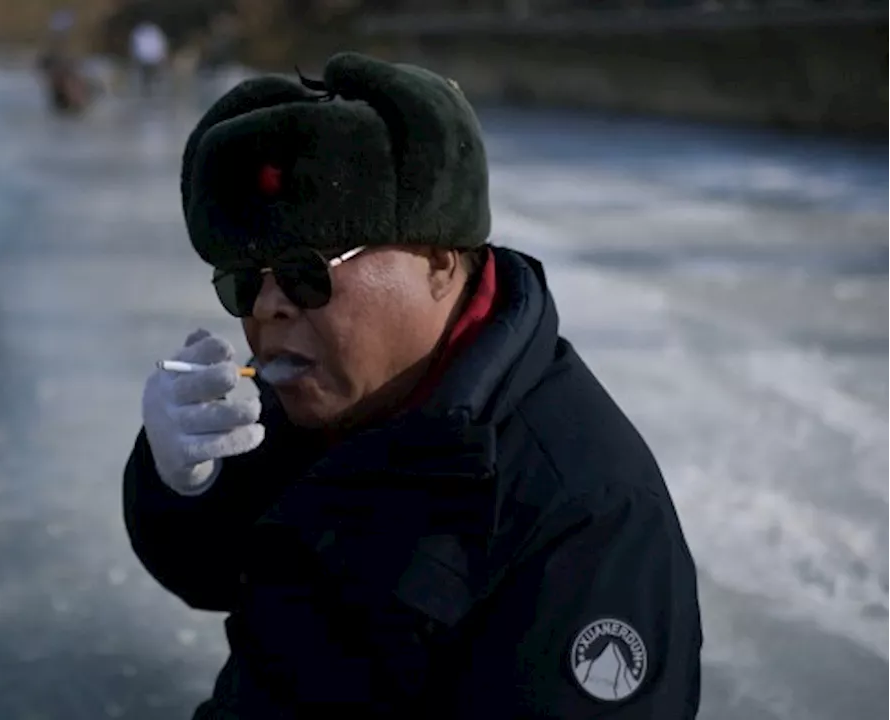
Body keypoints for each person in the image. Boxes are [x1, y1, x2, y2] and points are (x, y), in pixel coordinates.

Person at [122, 52, 702, 718]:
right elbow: (214, 572)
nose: (268, 307)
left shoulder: (584, 515)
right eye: (244, 281)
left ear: (436, 261)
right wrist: (181, 485)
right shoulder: (330, 393)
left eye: (307, 273)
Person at [129, 20, 168, 96]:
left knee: (153, 74)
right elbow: (136, 45)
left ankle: (152, 89)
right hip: (146, 58)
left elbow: (160, 44)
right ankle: (148, 90)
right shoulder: (141, 32)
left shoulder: (153, 31)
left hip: (151, 57)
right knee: (146, 75)